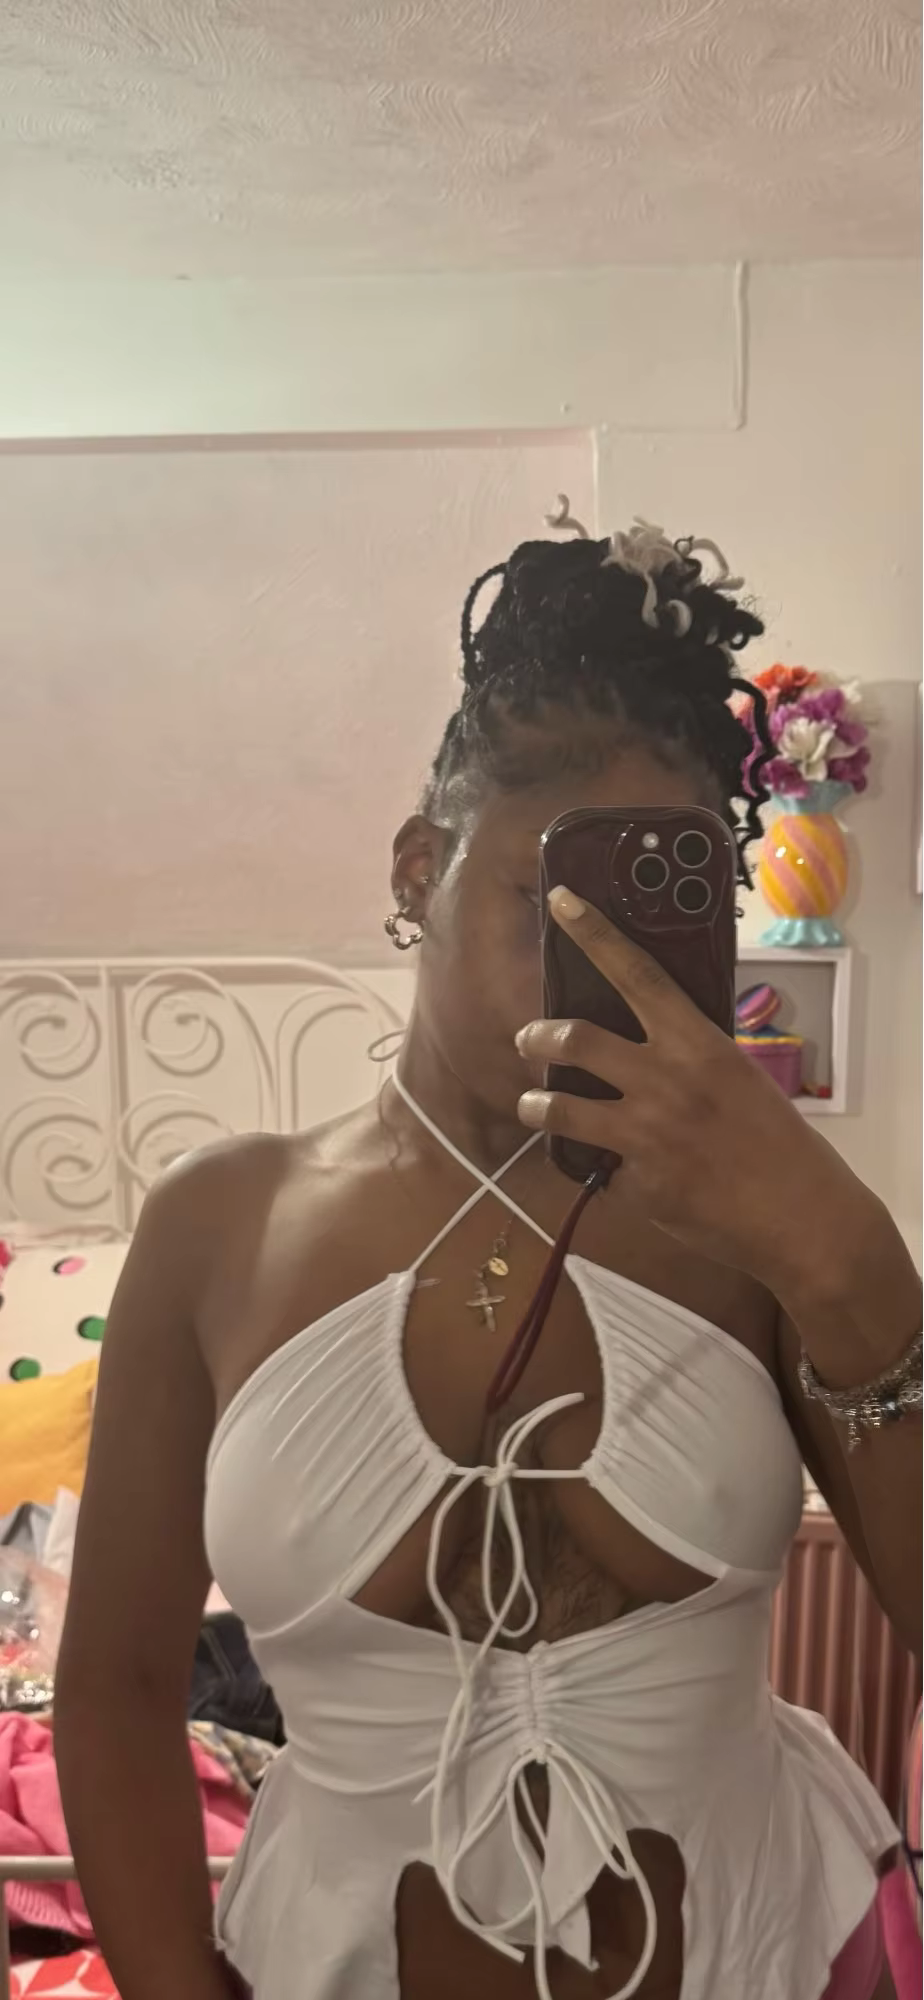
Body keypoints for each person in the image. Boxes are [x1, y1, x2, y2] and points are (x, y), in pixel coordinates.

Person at [55, 513, 921, 2000]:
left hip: (771, 1954)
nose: (610, 966)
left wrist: (851, 1269)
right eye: (556, 903)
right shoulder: (221, 1226)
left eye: (664, 911)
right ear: (419, 871)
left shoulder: (773, 1225)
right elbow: (120, 1687)